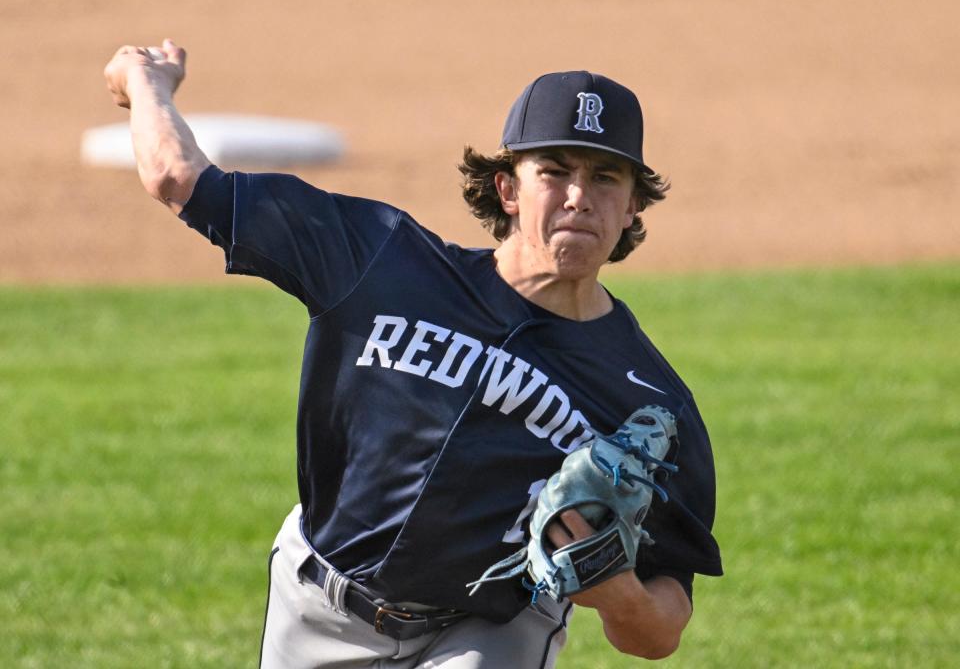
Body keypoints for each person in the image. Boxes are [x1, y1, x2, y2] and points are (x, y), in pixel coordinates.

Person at [103, 39, 722, 668]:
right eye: (555, 170)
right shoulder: (380, 259)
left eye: (605, 177)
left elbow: (660, 632)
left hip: (487, 629)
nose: (577, 196)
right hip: (317, 604)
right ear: (508, 189)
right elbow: (177, 178)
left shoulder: (649, 403)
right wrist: (146, 82)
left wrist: (617, 592)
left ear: (633, 206)